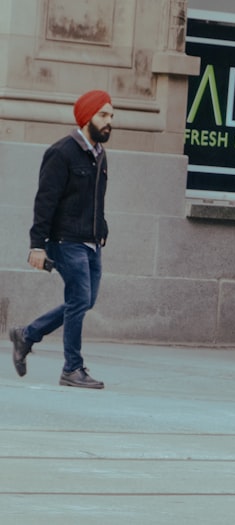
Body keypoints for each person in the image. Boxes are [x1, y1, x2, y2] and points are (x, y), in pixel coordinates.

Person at [9, 90, 115, 389]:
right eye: (103, 115)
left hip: (92, 241)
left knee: (84, 301)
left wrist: (102, 227)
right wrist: (37, 245)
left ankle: (27, 334)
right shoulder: (61, 152)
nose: (109, 122)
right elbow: (45, 200)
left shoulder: (100, 154)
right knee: (79, 300)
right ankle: (72, 368)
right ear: (86, 118)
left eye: (111, 115)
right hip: (66, 241)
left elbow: (96, 198)